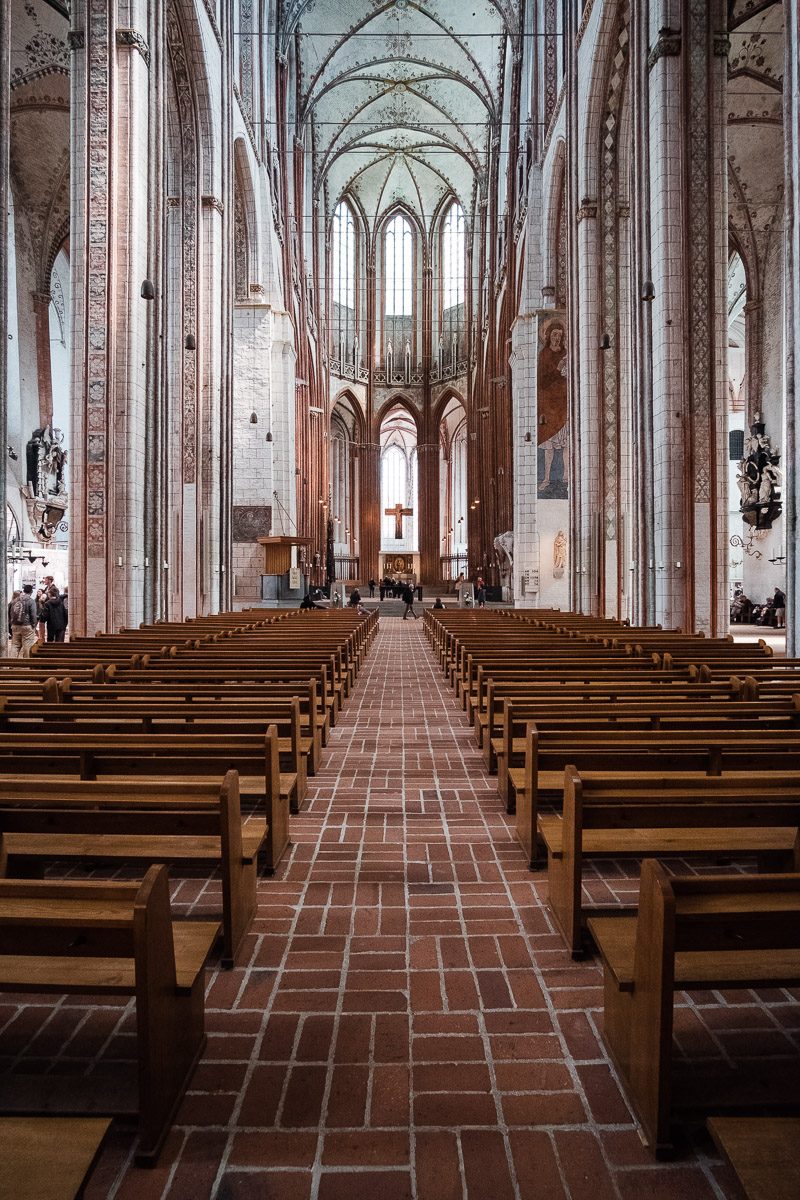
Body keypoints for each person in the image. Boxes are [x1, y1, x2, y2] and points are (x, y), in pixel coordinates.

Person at [8, 583, 38, 657]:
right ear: (31, 592)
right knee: (27, 645)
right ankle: (26, 663)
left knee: (15, 645)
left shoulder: (14, 600)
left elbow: (9, 612)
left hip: (15, 625)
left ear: (23, 590)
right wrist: (34, 625)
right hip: (27, 626)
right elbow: (33, 614)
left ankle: (11, 663)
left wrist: (11, 623)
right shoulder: (31, 601)